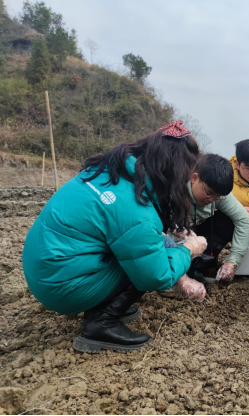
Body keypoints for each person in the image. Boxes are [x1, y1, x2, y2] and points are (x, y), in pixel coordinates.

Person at [22, 121, 209, 353]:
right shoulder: (135, 209)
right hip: (60, 287)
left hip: (44, 267)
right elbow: (156, 275)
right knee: (151, 259)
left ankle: (104, 303)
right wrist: (189, 248)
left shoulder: (110, 169)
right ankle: (101, 323)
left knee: (147, 246)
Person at [169, 153, 249, 284]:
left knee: (227, 221)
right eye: (209, 193)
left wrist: (233, 261)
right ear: (194, 178)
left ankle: (199, 266)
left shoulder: (219, 194)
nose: (212, 200)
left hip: (197, 234)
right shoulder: (173, 189)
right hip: (171, 237)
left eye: (217, 197)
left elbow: (245, 222)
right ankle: (175, 272)